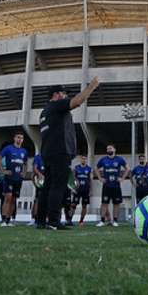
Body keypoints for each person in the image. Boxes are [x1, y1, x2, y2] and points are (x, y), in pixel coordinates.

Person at [37, 80, 100, 230]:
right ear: (57, 95)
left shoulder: (45, 111)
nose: (66, 97)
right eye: (64, 94)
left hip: (48, 152)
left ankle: (41, 221)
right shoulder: (57, 106)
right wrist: (91, 86)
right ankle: (53, 220)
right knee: (58, 187)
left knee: (47, 187)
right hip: (59, 152)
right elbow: (78, 101)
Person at [0, 131, 28, 227]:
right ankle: (3, 219)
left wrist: (24, 173)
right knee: (8, 197)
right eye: (18, 137)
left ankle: (9, 220)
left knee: (14, 199)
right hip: (9, 177)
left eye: (21, 138)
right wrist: (2, 170)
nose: (19, 140)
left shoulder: (24, 151)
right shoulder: (8, 148)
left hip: (18, 178)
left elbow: (25, 163)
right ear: (14, 138)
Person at [96, 143, 128, 227]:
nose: (109, 150)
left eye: (110, 148)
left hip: (116, 186)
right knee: (104, 203)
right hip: (106, 185)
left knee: (116, 204)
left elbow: (127, 168)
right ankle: (102, 221)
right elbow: (96, 168)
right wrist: (100, 178)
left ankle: (115, 221)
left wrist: (122, 178)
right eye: (107, 149)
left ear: (114, 150)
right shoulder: (103, 159)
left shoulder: (119, 159)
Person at [72, 155, 93, 226]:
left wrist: (90, 190)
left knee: (84, 206)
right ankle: (69, 220)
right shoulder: (76, 168)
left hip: (86, 190)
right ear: (80, 160)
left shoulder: (89, 169)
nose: (83, 160)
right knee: (73, 205)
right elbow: (73, 178)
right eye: (82, 159)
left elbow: (91, 180)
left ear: (86, 160)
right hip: (77, 190)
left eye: (84, 159)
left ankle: (81, 221)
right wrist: (73, 188)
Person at [29, 154, 44, 226]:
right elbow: (35, 169)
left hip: (48, 181)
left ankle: (44, 218)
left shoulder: (51, 156)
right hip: (40, 181)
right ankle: (33, 218)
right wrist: (39, 174)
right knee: (37, 200)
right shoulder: (38, 157)